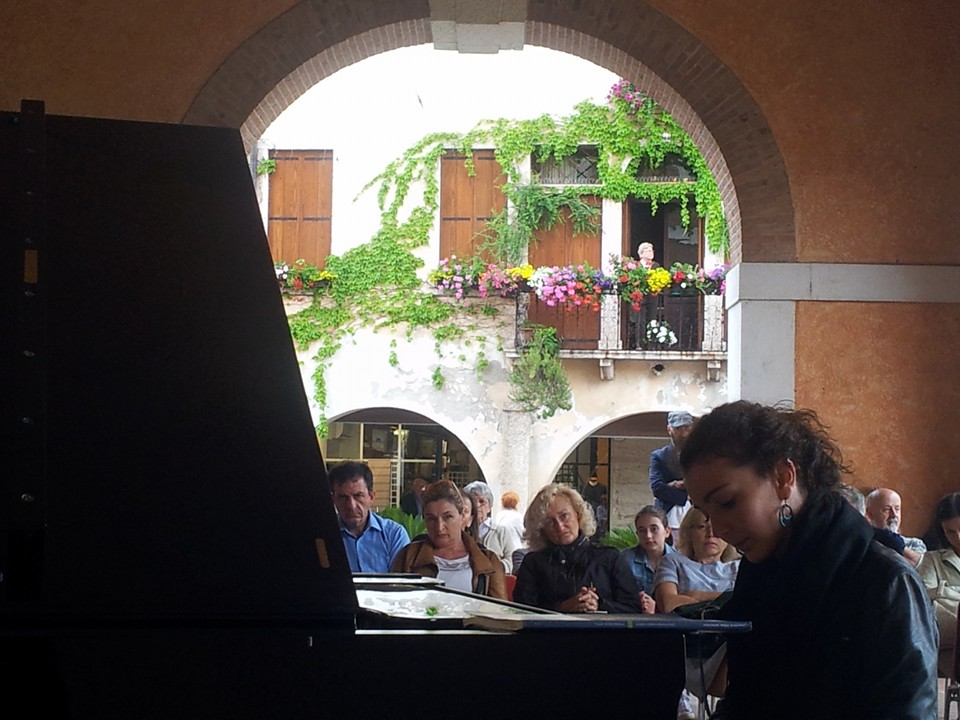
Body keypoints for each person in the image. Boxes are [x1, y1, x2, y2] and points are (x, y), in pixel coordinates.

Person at [679, 400, 938, 719]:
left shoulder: (884, 582)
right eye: (706, 513)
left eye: (728, 503)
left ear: (783, 477)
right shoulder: (761, 576)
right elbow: (747, 700)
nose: (718, 528)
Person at [654, 508, 739, 720]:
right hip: (686, 643)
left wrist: (695, 595)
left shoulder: (739, 567)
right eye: (702, 526)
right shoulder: (673, 562)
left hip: (730, 643)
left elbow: (747, 604)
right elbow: (670, 604)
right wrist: (723, 599)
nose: (711, 534)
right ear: (689, 531)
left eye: (717, 528)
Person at [513, 484, 640, 613]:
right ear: (541, 529)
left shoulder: (610, 558)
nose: (560, 527)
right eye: (550, 522)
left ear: (578, 514)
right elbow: (522, 613)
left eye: (564, 516)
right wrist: (562, 608)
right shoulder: (533, 563)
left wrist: (599, 605)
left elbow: (634, 610)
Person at [390, 480, 506, 599]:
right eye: (431, 519)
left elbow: (500, 613)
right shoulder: (408, 556)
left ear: (462, 516)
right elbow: (392, 603)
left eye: (448, 517)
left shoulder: (488, 561)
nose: (439, 526)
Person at [329, 461, 410, 573]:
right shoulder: (323, 537)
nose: (351, 506)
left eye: (358, 496)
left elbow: (401, 586)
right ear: (333, 500)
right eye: (343, 497)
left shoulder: (394, 535)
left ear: (371, 496)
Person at [918, 492, 960, 675]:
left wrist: (946, 594)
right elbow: (925, 606)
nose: (958, 537)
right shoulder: (931, 560)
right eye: (950, 532)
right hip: (948, 647)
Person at [620, 505, 676, 614]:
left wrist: (657, 608)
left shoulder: (679, 561)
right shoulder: (625, 559)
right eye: (642, 530)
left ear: (667, 531)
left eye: (654, 529)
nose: (648, 536)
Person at [650, 411, 695, 536]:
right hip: (667, 515)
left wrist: (679, 484)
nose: (684, 433)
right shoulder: (659, 456)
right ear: (669, 429)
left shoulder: (699, 456)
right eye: (679, 429)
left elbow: (705, 481)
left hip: (696, 514)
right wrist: (685, 496)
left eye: (687, 428)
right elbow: (657, 487)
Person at [464, 480, 521, 573]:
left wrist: (495, 568)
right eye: (473, 501)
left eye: (482, 501)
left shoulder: (502, 531)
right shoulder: (461, 530)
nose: (477, 505)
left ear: (489, 507)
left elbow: (512, 558)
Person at [865, 487, 927, 567]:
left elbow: (922, 568)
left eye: (897, 509)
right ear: (870, 513)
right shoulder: (864, 543)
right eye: (887, 509)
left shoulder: (915, 544)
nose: (894, 514)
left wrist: (900, 547)